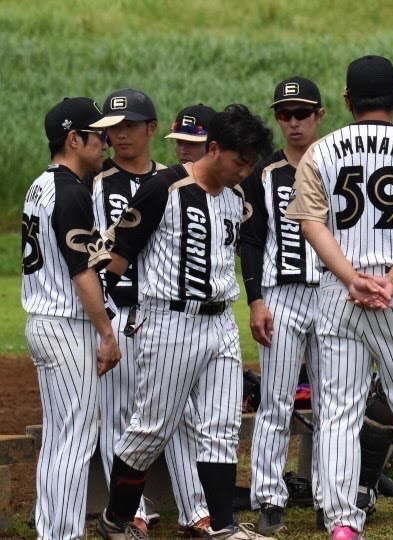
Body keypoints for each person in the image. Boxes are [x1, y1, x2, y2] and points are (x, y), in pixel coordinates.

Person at [286, 55, 393, 540]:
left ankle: (343, 522)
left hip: (338, 291)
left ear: (347, 99)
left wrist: (350, 278)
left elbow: (311, 223)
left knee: (339, 410)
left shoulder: (320, 151)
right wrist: (392, 280)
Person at [95, 104, 273, 540]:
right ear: (213, 149)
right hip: (171, 322)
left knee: (221, 426)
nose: (244, 171)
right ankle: (115, 519)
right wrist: (103, 323)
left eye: (250, 163)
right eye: (239, 161)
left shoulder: (235, 197)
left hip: (221, 322)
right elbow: (115, 257)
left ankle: (224, 527)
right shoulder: (164, 188)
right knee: (151, 429)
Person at [90, 88, 210, 536]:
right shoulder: (97, 183)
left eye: (130, 126)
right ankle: (131, 511)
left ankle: (196, 510)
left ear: (151, 129)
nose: (121, 135)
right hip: (117, 308)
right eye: (113, 128)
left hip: (164, 313)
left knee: (177, 414)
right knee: (120, 412)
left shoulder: (173, 179)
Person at [23, 96, 121, 539]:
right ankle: (62, 534)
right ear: (73, 139)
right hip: (65, 326)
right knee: (76, 438)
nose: (107, 142)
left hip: (44, 321)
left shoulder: (41, 185)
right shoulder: (71, 192)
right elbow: (83, 274)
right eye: (99, 135)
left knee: (60, 436)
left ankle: (52, 530)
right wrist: (107, 333)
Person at [240, 76, 326, 535]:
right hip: (281, 296)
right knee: (275, 399)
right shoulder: (264, 173)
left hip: (331, 294)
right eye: (284, 114)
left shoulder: (336, 164)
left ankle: (331, 495)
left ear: (319, 116)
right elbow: (252, 240)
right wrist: (256, 300)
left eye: (302, 113)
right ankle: (269, 497)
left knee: (334, 401)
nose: (293, 122)